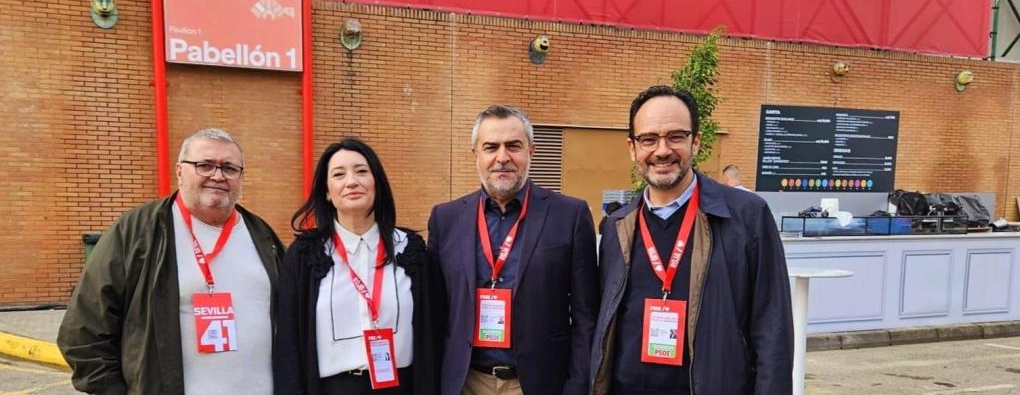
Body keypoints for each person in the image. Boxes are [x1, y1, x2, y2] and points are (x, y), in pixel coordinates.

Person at [590, 86, 793, 395]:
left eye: (676, 137)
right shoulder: (618, 227)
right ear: (632, 148)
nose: (662, 150)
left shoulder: (746, 216)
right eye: (648, 139)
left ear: (695, 142)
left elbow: (772, 326)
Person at [58, 128, 284, 395]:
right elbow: (84, 333)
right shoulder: (137, 232)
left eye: (229, 168)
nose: (218, 176)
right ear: (180, 170)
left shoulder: (262, 236)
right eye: (205, 165)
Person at [428, 105, 598, 395]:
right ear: (476, 155)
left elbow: (586, 317)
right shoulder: (445, 219)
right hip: (465, 382)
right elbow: (435, 311)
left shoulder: (570, 215)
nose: (502, 157)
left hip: (537, 383)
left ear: (531, 151)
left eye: (514, 146)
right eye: (491, 147)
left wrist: (576, 386)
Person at [274, 138, 439, 395]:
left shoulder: (411, 250)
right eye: (339, 174)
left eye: (361, 171)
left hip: (401, 386)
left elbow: (434, 332)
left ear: (377, 183)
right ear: (327, 191)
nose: (352, 181)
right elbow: (288, 343)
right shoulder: (305, 256)